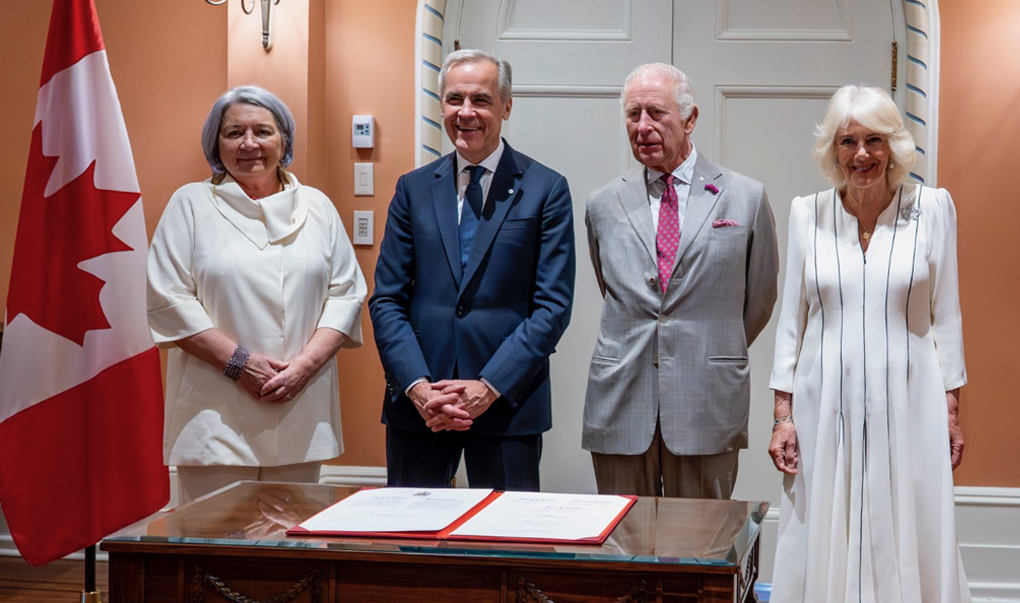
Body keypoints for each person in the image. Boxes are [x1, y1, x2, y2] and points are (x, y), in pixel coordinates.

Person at [767, 85, 970, 602]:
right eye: (847, 141)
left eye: (874, 140)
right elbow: (792, 320)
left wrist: (950, 409)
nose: (861, 154)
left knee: (913, 516)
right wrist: (782, 415)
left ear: (894, 146)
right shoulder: (806, 214)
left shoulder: (932, 207)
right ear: (832, 150)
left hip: (911, 399)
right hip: (823, 400)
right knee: (820, 519)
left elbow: (946, 316)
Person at [146, 86, 367, 504]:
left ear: (284, 141)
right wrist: (240, 364)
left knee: (289, 550)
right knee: (214, 546)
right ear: (216, 143)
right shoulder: (189, 205)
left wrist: (303, 367)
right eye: (233, 133)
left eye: (262, 131)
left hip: (300, 406)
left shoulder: (318, 207)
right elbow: (168, 299)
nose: (249, 144)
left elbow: (346, 294)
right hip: (215, 415)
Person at [369, 49, 575, 491]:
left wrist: (489, 386)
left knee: (507, 548)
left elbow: (552, 307)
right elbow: (387, 298)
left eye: (480, 100)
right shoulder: (413, 189)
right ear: (441, 105)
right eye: (454, 99)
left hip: (507, 404)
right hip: (420, 405)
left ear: (506, 106)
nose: (466, 113)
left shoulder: (547, 189)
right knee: (412, 546)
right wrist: (419, 387)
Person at [583, 63, 778, 499]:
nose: (643, 126)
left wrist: (707, 346)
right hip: (620, 400)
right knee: (623, 545)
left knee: (700, 547)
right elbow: (611, 288)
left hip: (707, 399)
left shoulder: (745, 197)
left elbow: (760, 299)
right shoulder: (602, 204)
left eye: (656, 113)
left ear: (690, 119)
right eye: (634, 115)